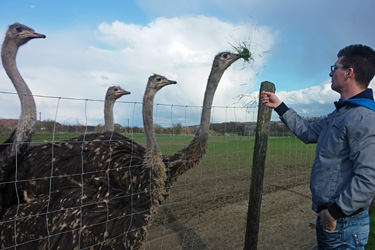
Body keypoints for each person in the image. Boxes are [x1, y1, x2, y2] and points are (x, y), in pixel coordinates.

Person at [262, 44, 375, 249]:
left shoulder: (363, 117)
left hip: (342, 223)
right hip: (335, 221)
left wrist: (333, 213)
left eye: (335, 67)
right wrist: (279, 106)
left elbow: (369, 177)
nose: (331, 72)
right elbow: (308, 131)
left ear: (349, 72)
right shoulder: (342, 113)